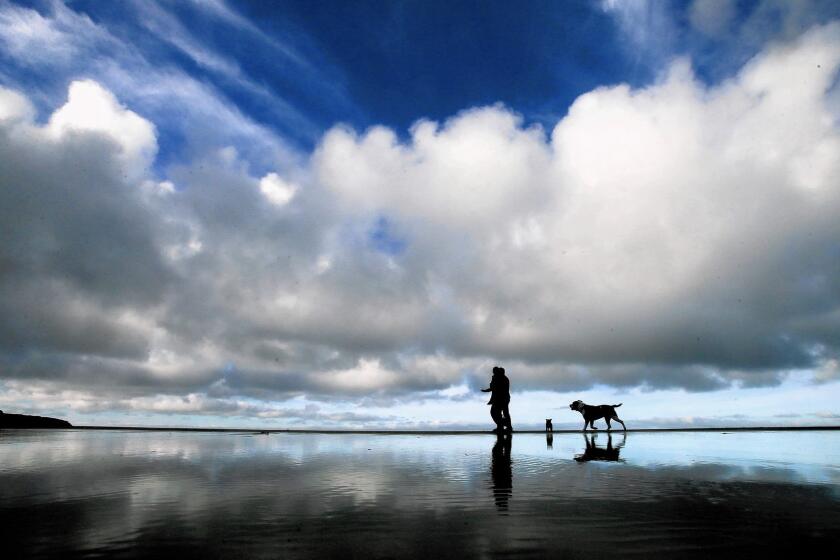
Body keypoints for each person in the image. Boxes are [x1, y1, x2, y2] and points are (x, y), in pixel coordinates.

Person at [481, 366, 512, 433]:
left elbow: (495, 387)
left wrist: (487, 390)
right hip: (501, 399)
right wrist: (487, 390)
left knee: (497, 413)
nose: (493, 373)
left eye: (494, 371)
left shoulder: (501, 378)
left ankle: (504, 426)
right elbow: (493, 387)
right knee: (498, 413)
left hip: (501, 399)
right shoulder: (498, 378)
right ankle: (502, 426)